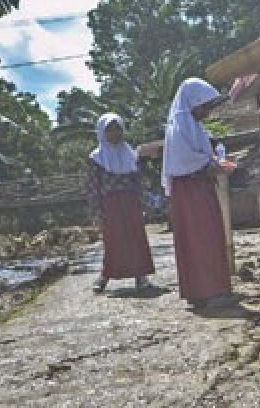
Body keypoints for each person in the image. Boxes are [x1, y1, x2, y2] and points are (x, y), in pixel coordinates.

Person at [162, 77, 236, 309]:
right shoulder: (181, 123)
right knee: (199, 238)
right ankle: (206, 291)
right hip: (189, 191)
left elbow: (200, 155)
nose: (207, 112)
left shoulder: (193, 126)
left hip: (199, 189)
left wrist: (214, 163)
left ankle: (211, 289)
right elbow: (184, 160)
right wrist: (211, 165)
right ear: (193, 102)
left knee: (208, 236)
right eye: (204, 106)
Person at [86, 113, 154, 293]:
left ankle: (141, 276)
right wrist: (96, 212)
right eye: (110, 130)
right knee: (113, 241)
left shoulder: (131, 154)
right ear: (102, 132)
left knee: (136, 237)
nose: (115, 133)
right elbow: (93, 187)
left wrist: (144, 204)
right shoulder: (96, 158)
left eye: (118, 129)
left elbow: (138, 182)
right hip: (110, 205)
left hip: (131, 203)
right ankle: (105, 276)